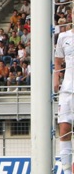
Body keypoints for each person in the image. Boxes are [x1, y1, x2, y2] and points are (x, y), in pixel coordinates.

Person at [55, 28, 74, 174]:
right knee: (64, 129)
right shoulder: (63, 36)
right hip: (67, 90)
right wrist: (56, 79)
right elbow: (58, 60)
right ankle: (66, 171)